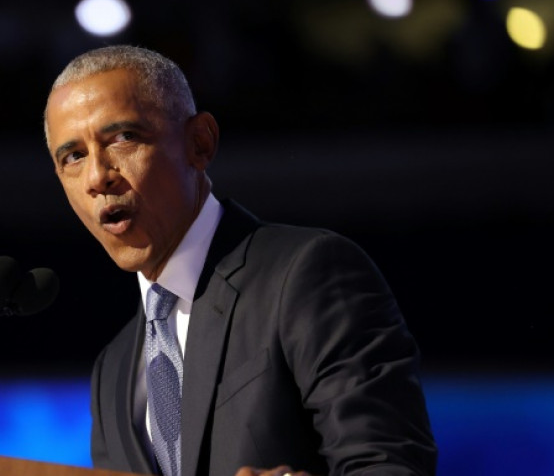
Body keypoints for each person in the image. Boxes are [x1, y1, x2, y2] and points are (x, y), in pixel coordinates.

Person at [43, 44, 437, 476]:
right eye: (73, 156)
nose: (97, 176)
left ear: (200, 143)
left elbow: (390, 465)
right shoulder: (113, 370)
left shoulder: (306, 274)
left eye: (123, 137)